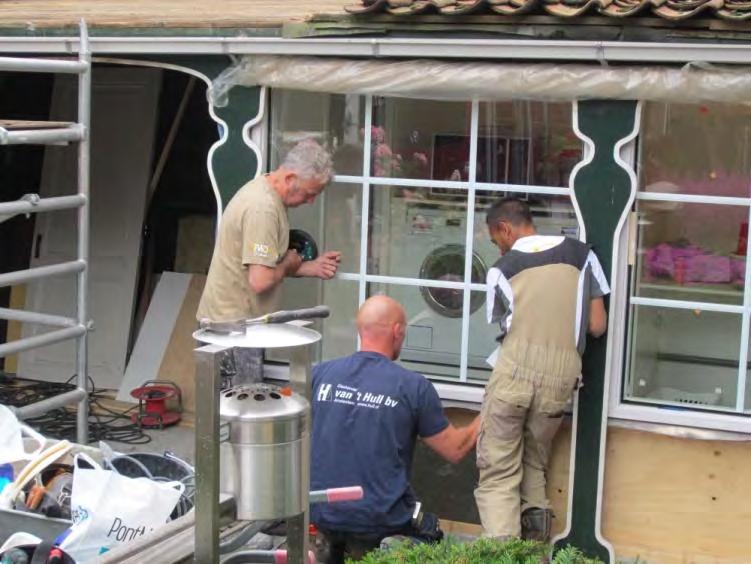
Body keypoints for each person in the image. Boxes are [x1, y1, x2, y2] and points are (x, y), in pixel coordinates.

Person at [475, 197, 609, 542]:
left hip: (515, 371)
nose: (498, 247)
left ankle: (501, 555)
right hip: (562, 376)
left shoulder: (502, 270)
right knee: (534, 465)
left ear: (504, 229)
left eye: (495, 240)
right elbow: (597, 324)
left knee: (499, 472)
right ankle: (535, 555)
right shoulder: (583, 255)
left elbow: (506, 326)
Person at [310, 296, 481, 563]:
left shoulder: (320, 375)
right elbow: (455, 449)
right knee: (429, 532)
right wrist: (493, 407)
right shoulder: (412, 387)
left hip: (321, 515)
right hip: (380, 521)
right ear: (398, 331)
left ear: (360, 329)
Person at [196, 139, 341, 382]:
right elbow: (261, 280)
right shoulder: (262, 209)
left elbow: (261, 264)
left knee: (236, 410)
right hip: (233, 332)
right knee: (240, 411)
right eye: (310, 193)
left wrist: (308, 267)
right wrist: (289, 264)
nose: (311, 201)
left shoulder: (266, 193)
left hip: (235, 326)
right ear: (290, 179)